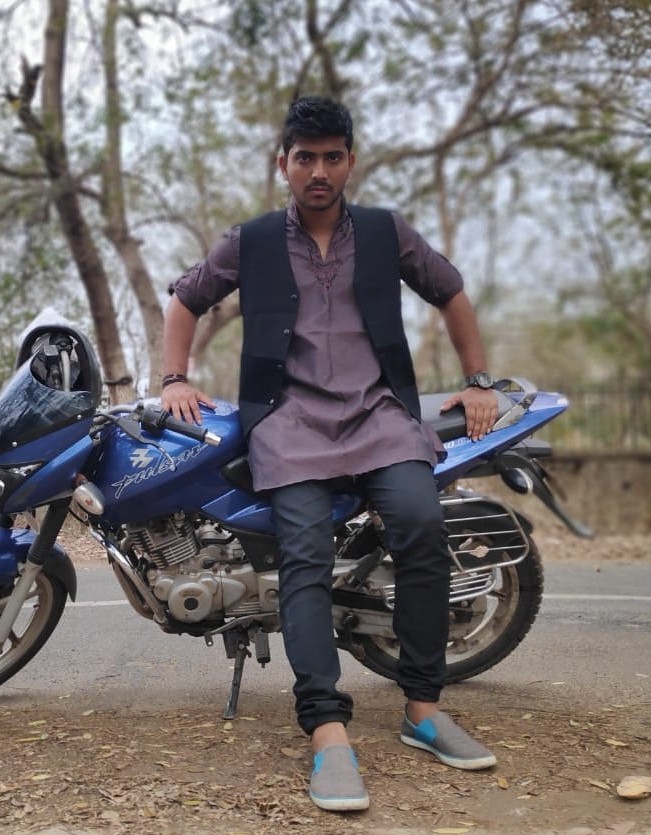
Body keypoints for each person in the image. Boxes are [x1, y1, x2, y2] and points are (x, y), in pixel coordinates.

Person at [161, 96, 499, 813]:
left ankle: (423, 708)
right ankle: (327, 729)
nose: (318, 171)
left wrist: (478, 381)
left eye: (332, 157)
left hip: (380, 417)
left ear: (351, 161)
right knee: (304, 555)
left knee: (421, 527)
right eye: (304, 157)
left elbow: (451, 292)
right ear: (282, 163)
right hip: (289, 424)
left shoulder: (384, 232)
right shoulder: (250, 241)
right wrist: (173, 378)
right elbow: (186, 299)